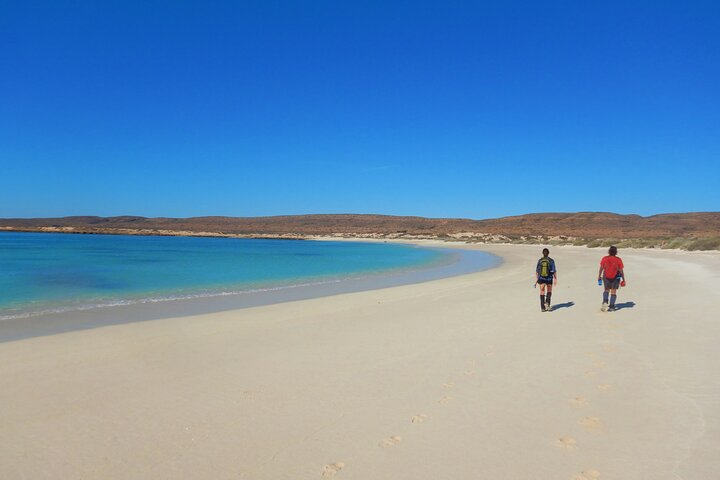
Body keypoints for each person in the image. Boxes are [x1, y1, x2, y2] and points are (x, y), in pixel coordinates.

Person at [598, 245, 626, 312]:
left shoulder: (604, 258)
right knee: (613, 291)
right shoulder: (618, 259)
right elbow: (621, 270)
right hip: (615, 277)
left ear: (609, 251)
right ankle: (612, 306)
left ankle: (605, 301)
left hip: (606, 276)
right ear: (616, 252)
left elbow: (601, 267)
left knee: (606, 289)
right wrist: (623, 279)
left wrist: (599, 276)